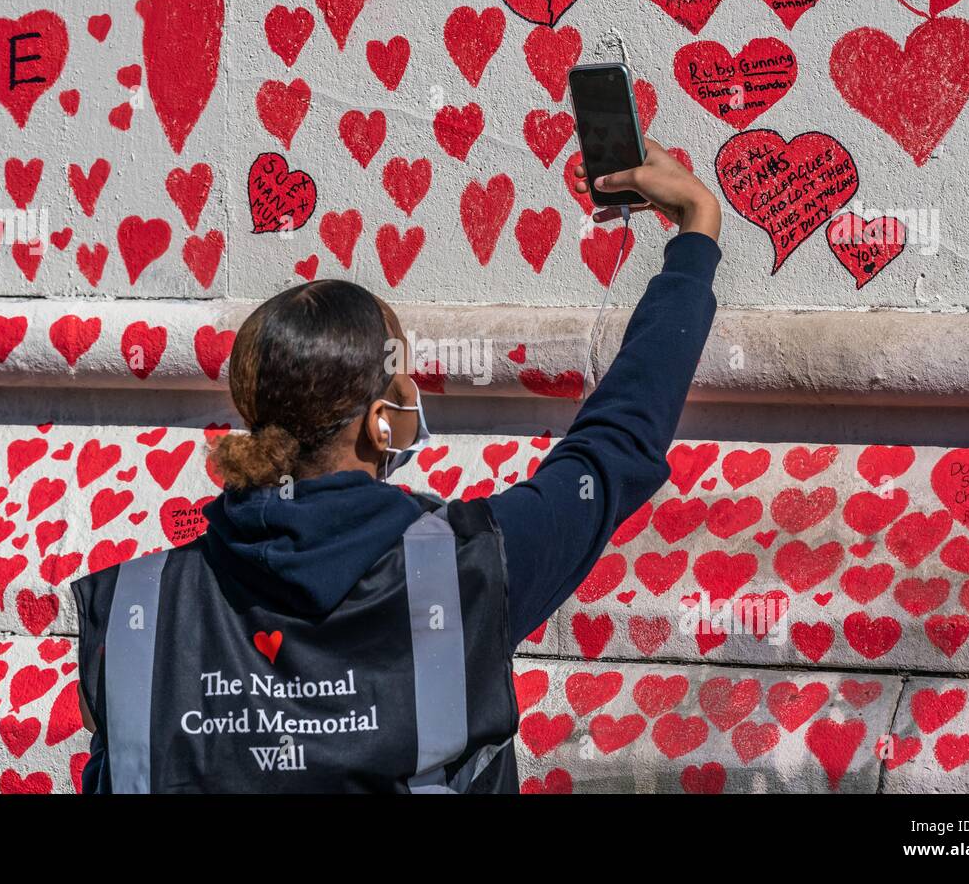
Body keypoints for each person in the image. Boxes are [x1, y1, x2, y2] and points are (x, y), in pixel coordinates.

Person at [71, 138, 722, 793]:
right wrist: (696, 229)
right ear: (387, 419)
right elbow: (615, 445)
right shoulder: (472, 572)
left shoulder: (134, 611)